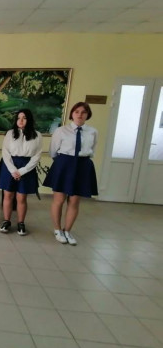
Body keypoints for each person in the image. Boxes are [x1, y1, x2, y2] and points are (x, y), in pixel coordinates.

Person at [43, 102, 98, 245]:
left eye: (83, 112)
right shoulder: (61, 130)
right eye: (77, 111)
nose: (80, 115)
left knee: (74, 201)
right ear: (72, 114)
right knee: (59, 200)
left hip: (82, 166)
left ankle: (67, 230)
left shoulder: (92, 131)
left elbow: (92, 150)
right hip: (64, 165)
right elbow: (53, 151)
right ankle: (57, 229)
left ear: (87, 115)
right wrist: (63, 163)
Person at [0, 109, 42, 235]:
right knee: (8, 195)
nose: (21, 120)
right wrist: (13, 170)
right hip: (10, 166)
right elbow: (5, 152)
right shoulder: (10, 133)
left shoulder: (37, 135)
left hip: (27, 167)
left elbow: (37, 156)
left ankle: (21, 223)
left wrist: (22, 171)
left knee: (21, 197)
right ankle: (6, 221)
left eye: (24, 118)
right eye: (18, 118)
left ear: (29, 120)